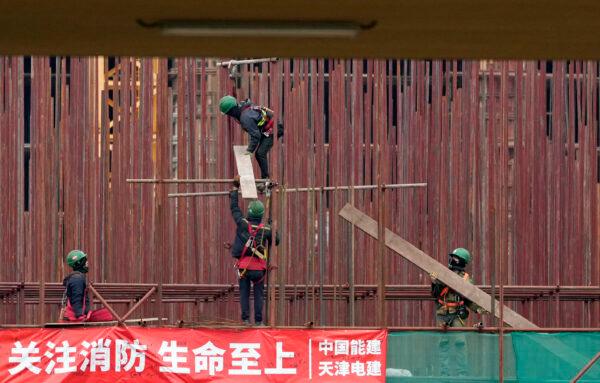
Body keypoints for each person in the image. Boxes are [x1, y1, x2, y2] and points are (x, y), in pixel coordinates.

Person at [430, 247, 488, 377]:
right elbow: (435, 294)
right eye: (452, 258)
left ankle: (462, 374)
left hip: (457, 314)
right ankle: (443, 374)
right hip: (442, 313)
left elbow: (469, 299)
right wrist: (434, 282)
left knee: (459, 343)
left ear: (461, 261)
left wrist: (479, 308)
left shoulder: (466, 279)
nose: (452, 260)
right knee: (442, 343)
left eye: (455, 258)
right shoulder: (442, 274)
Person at [229, 177, 278, 326]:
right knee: (259, 295)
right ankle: (258, 321)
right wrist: (271, 227)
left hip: (244, 267)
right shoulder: (266, 229)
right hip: (259, 269)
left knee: (244, 293)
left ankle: (245, 319)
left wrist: (234, 190)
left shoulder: (243, 224)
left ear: (249, 212)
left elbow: (235, 209)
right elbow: (277, 240)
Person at [219, 95, 283, 180]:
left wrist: (250, 150)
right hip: (268, 126)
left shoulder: (245, 118)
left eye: (228, 113)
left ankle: (266, 180)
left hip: (274, 128)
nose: (229, 116)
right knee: (259, 153)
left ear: (231, 111)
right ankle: (265, 178)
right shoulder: (242, 108)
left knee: (260, 153)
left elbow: (256, 135)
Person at [61, 250, 113, 322]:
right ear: (79, 263)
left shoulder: (78, 277)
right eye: (85, 260)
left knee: (106, 315)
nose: (87, 263)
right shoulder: (77, 279)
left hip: (78, 316)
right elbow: (76, 299)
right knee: (107, 315)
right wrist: (80, 317)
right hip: (75, 319)